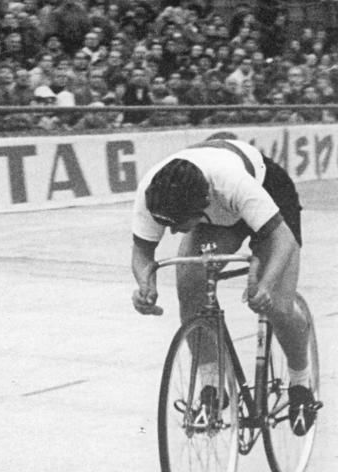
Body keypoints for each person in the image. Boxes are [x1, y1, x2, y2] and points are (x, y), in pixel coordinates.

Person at [130, 136, 318, 436]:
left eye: (178, 224)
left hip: (268, 191)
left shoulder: (232, 185)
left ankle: (300, 385)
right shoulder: (155, 191)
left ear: (203, 207)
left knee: (278, 307)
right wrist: (144, 284)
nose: (173, 231)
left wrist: (267, 285)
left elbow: (281, 240)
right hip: (213, 208)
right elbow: (142, 251)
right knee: (190, 281)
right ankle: (212, 388)